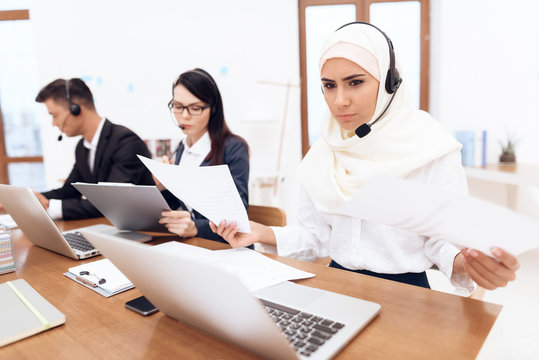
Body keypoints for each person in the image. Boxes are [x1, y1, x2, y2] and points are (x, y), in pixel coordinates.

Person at [211, 22, 519, 293]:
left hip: (407, 292)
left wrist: (470, 263)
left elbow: (440, 241)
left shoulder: (430, 146)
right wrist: (261, 233)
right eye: (329, 86)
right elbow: (315, 237)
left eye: (355, 82)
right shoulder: (322, 152)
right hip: (337, 282)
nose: (339, 101)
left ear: (388, 83)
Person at [34, 78, 154, 220]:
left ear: (75, 109)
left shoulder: (125, 141)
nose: (54, 123)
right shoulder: (82, 147)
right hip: (110, 226)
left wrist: (51, 206)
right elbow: (70, 191)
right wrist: (34, 199)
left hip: (143, 229)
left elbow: (111, 201)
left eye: (54, 115)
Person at [156, 68, 249, 243]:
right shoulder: (181, 149)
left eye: (195, 108)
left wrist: (196, 227)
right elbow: (174, 207)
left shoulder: (234, 148)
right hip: (194, 246)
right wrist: (161, 186)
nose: (184, 115)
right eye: (177, 106)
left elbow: (237, 218)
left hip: (226, 249)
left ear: (212, 108)